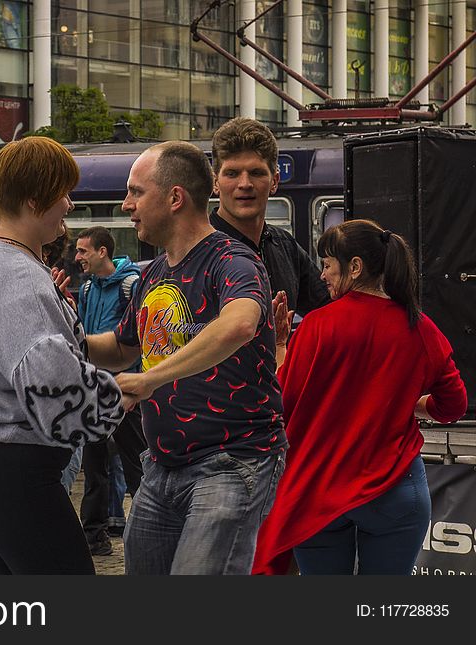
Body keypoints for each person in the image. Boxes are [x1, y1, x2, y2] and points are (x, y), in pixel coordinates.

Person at [86, 141, 287, 575]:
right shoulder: (152, 274)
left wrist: (150, 380)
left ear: (175, 198)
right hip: (160, 466)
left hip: (232, 465)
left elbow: (239, 325)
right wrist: (63, 337)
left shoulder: (233, 261)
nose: (126, 205)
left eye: (136, 192)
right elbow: (122, 349)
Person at [0, 136, 125, 574]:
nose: (69, 205)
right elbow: (58, 398)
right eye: (63, 193)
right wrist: (119, 396)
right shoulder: (21, 277)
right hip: (13, 467)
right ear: (33, 200)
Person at [252, 220, 468, 575]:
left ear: (354, 267)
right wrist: (411, 402)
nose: (321, 276)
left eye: (326, 265)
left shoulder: (318, 327)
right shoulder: (421, 327)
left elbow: (282, 403)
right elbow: (453, 406)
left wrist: (279, 348)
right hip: (396, 490)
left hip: (320, 490)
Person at [70, 226, 146, 556]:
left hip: (126, 391)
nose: (77, 257)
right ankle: (94, 537)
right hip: (95, 391)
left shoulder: (131, 285)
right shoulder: (87, 290)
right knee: (95, 468)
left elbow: (143, 336)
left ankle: (146, 529)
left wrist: (138, 382)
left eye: (83, 251)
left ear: (102, 252)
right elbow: (84, 336)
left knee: (135, 465)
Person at [210, 118, 330, 321]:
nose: (245, 183)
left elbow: (327, 311)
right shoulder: (198, 252)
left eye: (256, 173)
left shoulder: (285, 246)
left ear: (274, 182)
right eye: (232, 173)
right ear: (215, 182)